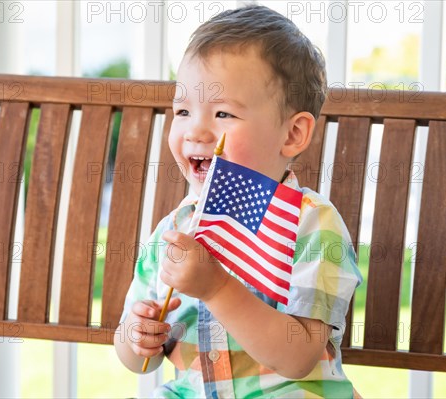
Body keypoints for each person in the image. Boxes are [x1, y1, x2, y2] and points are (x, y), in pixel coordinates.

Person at [114, 5, 363, 398]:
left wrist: (216, 288)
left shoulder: (311, 225)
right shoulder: (175, 231)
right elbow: (137, 359)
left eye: (223, 112)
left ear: (293, 134)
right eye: (182, 110)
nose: (195, 129)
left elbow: (298, 358)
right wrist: (137, 337)